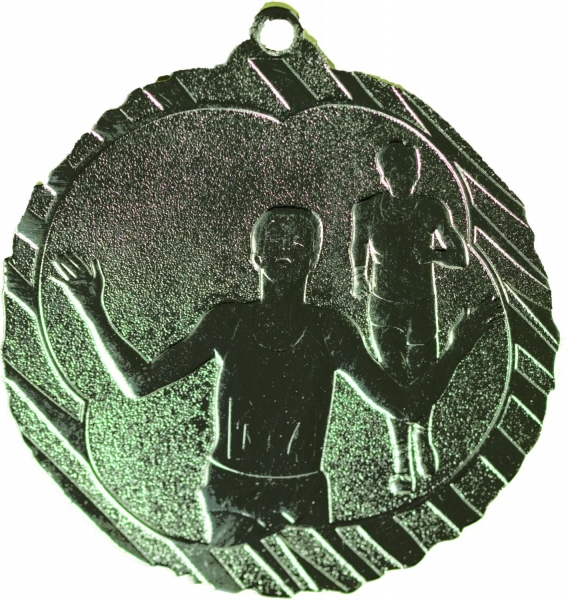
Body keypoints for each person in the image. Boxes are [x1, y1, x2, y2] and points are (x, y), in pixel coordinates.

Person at [53, 206, 492, 548]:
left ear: (313, 258)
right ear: (256, 256)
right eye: (275, 240)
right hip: (232, 491)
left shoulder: (330, 329)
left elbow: (407, 407)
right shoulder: (228, 322)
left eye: (300, 242)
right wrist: (90, 306)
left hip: (301, 494)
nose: (287, 249)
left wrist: (459, 346)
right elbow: (140, 382)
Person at [350, 140, 468, 494]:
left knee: (423, 373)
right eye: (394, 174)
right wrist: (358, 275)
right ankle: (401, 459)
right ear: (383, 176)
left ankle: (423, 438)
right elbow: (358, 245)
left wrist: (432, 254)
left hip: (420, 305)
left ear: (417, 174)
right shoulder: (366, 210)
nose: (402, 180)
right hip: (383, 305)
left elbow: (460, 257)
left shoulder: (430, 209)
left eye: (409, 173)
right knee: (392, 377)